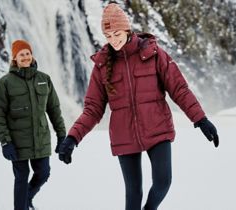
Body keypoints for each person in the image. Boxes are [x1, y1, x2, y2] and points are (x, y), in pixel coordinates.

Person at [58, 2, 219, 210]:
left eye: (117, 34)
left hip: (157, 128)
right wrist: (73, 137)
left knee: (163, 182)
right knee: (133, 193)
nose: (113, 41)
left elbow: (179, 89)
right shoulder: (101, 65)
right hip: (124, 134)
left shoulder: (153, 53)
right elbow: (93, 108)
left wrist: (201, 119)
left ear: (126, 29)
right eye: (108, 36)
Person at [0, 40, 66, 210]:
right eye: (21, 54)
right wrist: (5, 141)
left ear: (32, 56)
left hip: (41, 139)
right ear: (14, 58)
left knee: (44, 173)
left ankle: (27, 198)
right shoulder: (5, 83)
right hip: (17, 142)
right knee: (21, 178)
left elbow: (54, 109)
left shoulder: (44, 79)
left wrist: (62, 136)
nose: (25, 57)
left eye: (27, 53)